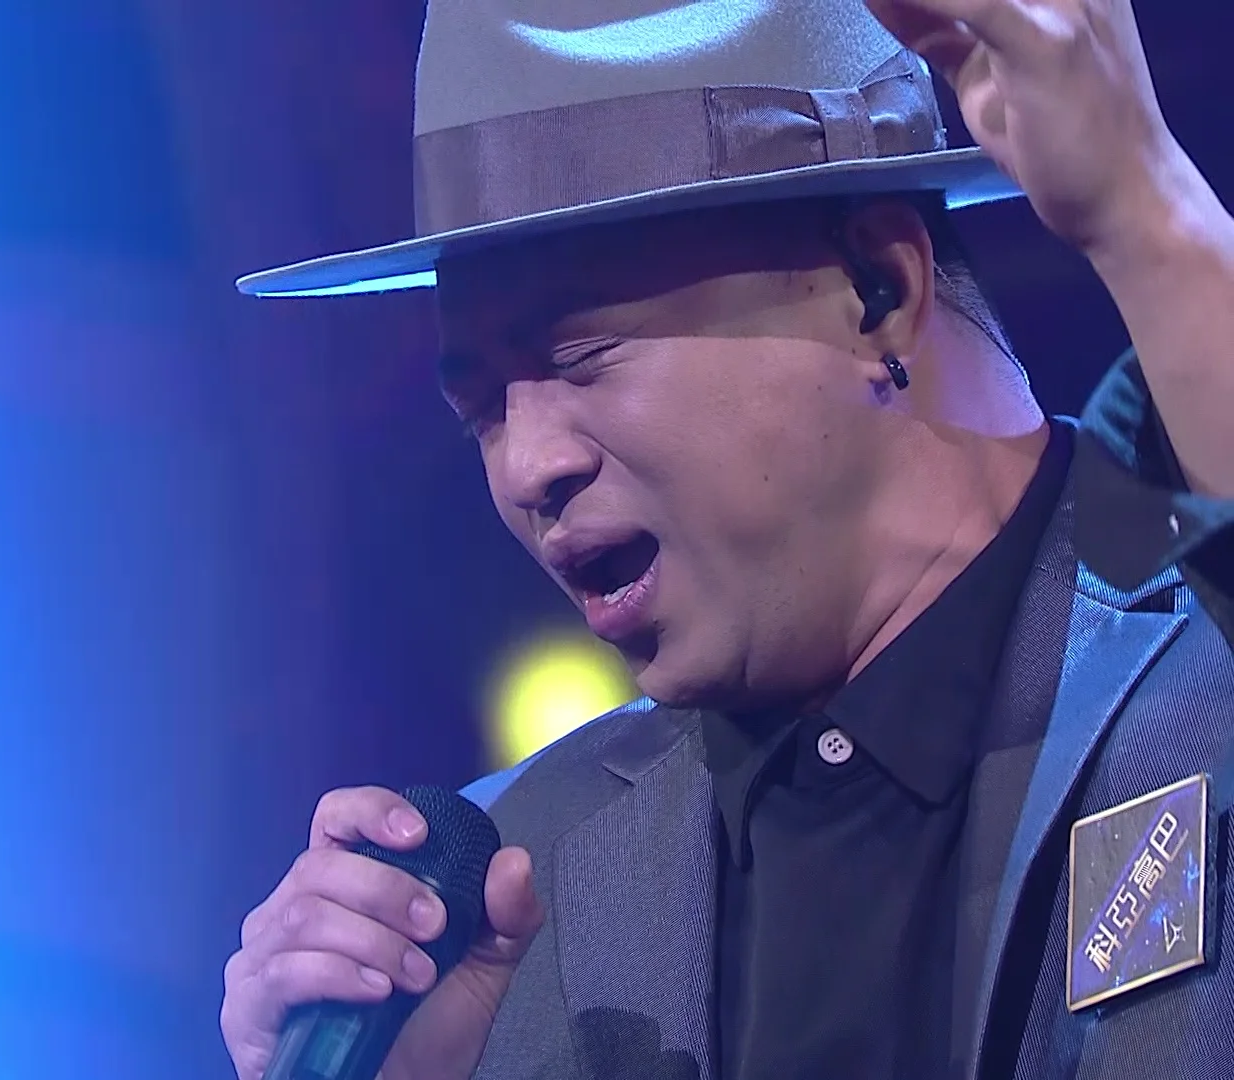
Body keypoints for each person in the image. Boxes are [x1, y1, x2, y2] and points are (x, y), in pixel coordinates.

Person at [218, 0, 1234, 1078]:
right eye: (480, 412)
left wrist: (1149, 213)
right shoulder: (495, 916)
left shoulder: (1207, 652)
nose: (526, 469)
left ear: (878, 292)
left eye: (581, 357)